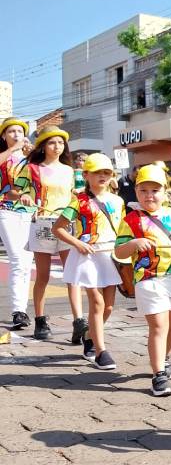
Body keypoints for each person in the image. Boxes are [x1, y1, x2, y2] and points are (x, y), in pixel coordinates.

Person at [114, 164, 171, 396]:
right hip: (148, 278)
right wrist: (134, 244)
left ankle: (164, 358)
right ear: (136, 192)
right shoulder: (131, 220)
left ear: (165, 191)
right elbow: (119, 252)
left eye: (155, 190)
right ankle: (158, 375)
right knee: (159, 326)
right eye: (143, 190)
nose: (149, 195)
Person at [11, 125, 86, 343]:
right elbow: (15, 190)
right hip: (42, 223)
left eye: (61, 142)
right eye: (52, 142)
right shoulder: (31, 168)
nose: (57, 146)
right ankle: (40, 319)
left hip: (65, 224)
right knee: (42, 275)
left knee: (72, 274)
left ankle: (79, 321)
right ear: (43, 146)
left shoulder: (70, 171)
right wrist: (24, 196)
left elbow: (77, 196)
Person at [53, 153, 125, 369]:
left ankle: (88, 335)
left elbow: (122, 229)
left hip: (111, 255)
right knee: (97, 302)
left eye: (106, 172)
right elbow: (57, 228)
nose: (102, 176)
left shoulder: (118, 201)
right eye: (97, 172)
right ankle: (101, 351)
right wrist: (77, 243)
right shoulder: (79, 201)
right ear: (86, 175)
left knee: (109, 307)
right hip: (87, 256)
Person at [0, 117, 34, 330]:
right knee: (16, 260)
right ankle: (17, 310)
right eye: (11, 131)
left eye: (19, 132)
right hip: (6, 210)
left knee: (26, 264)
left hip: (30, 213)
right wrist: (13, 149)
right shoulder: (5, 157)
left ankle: (21, 310)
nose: (16, 135)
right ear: (4, 136)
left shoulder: (31, 158)